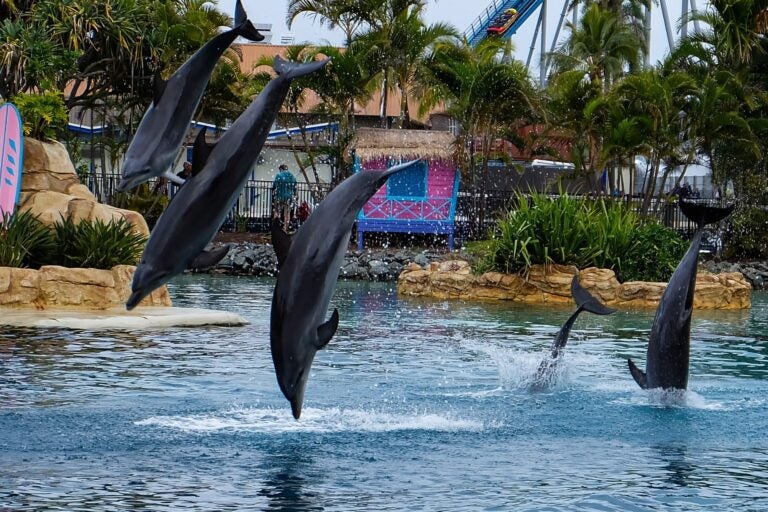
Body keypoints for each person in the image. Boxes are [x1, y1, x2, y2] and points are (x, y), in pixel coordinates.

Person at [272, 164, 297, 231]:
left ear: (281, 169)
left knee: (277, 210)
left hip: (280, 196)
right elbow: (295, 186)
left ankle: (277, 227)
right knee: (287, 212)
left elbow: (274, 185)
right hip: (289, 197)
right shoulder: (292, 176)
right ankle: (286, 227)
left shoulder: (279, 175)